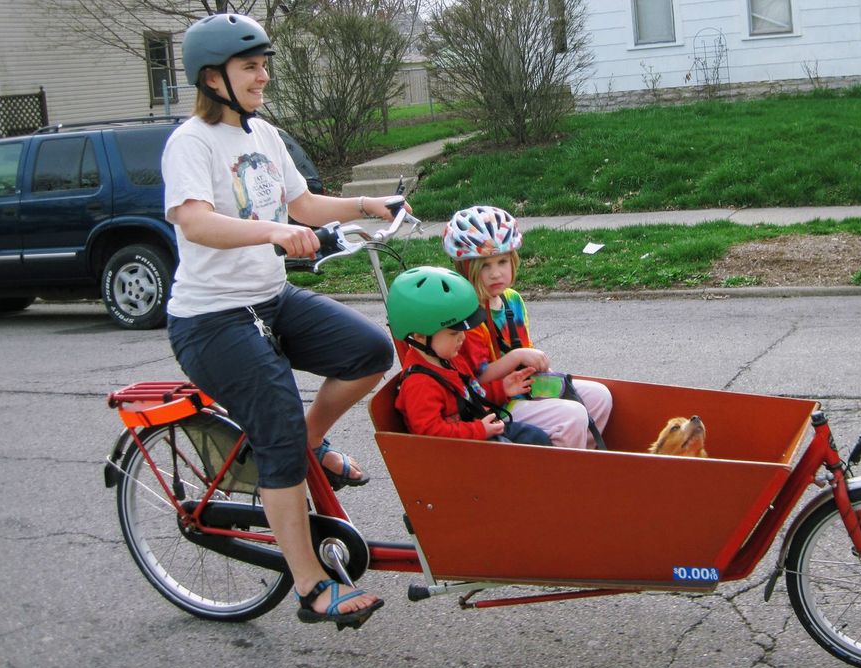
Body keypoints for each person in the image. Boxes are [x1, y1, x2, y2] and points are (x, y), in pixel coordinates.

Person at [163, 13, 395, 629]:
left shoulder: (264, 135)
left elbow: (305, 205)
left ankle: (309, 441)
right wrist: (274, 232)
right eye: (250, 67)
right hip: (210, 319)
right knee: (276, 423)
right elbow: (194, 221)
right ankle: (310, 585)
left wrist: (367, 203)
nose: (263, 75)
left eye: (265, 64)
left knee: (370, 350)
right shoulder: (191, 143)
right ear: (213, 78)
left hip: (270, 299)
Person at [443, 206, 613, 449]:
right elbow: (478, 378)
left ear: (513, 260)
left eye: (502, 262)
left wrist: (537, 365)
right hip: (494, 403)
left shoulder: (512, 300)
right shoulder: (467, 315)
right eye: (484, 266)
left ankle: (576, 457)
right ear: (464, 269)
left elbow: (523, 347)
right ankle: (555, 477)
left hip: (524, 386)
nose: (495, 274)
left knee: (600, 397)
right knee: (572, 415)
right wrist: (517, 357)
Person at [387, 266, 552, 445]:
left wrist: (502, 388)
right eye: (453, 333)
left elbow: (471, 392)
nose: (462, 338)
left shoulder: (452, 359)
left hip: (476, 429)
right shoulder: (419, 384)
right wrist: (479, 430)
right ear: (419, 336)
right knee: (517, 455)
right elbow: (430, 432)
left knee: (535, 437)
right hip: (458, 450)